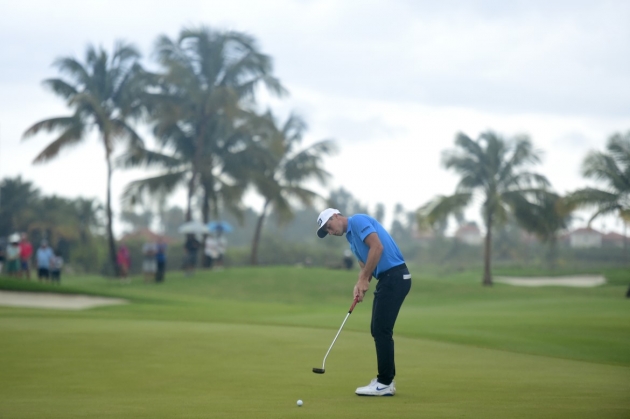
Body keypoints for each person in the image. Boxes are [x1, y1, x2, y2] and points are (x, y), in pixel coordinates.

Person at [316, 208, 411, 397]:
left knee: (381, 330)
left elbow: (377, 247)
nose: (330, 231)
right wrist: (360, 284)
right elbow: (365, 264)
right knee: (378, 329)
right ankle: (386, 380)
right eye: (327, 231)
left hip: (395, 276)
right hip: (388, 279)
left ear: (336, 216)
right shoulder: (351, 240)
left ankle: (385, 383)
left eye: (329, 226)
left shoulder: (357, 221)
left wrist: (364, 279)